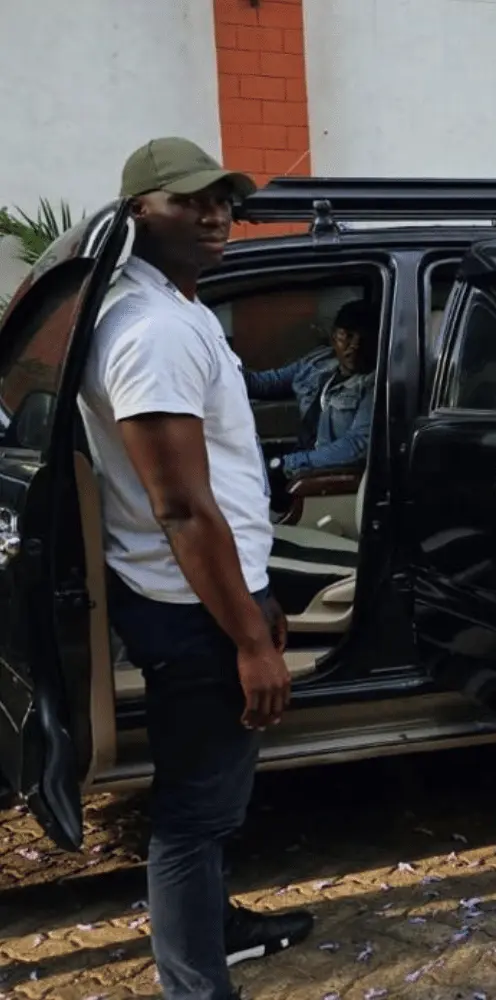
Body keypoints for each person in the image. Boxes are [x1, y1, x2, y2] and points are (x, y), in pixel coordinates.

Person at [77, 137, 313, 1000]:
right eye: (190, 200)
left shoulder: (171, 309)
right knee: (192, 816)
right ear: (139, 211)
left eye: (222, 199)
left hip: (206, 590)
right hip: (193, 608)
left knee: (211, 800)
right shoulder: (156, 332)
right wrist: (248, 640)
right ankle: (195, 986)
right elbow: (179, 506)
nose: (216, 215)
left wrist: (259, 594)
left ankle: (217, 930)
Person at [245, 300, 378, 479]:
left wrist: (288, 463)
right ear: (334, 337)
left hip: (322, 478)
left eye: (364, 339)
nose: (355, 346)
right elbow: (264, 384)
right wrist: (222, 366)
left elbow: (357, 446)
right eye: (347, 336)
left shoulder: (374, 384)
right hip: (299, 465)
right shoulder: (319, 363)